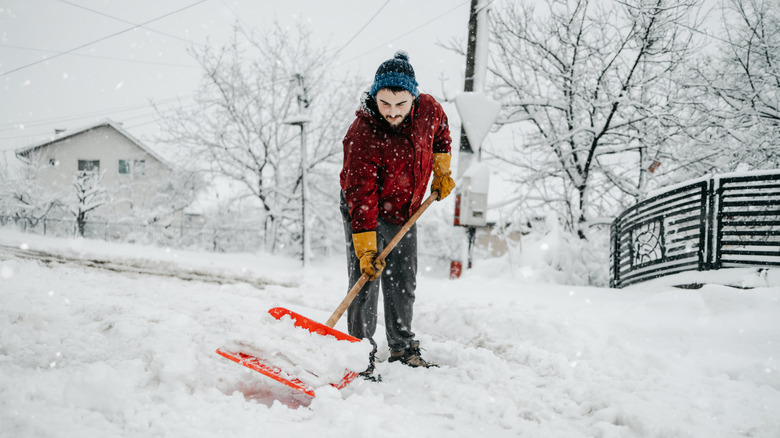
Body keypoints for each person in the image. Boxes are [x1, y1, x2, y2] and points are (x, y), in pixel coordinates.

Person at [339, 51, 456, 378]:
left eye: (400, 104)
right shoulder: (362, 134)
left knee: (403, 278)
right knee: (367, 279)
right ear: (374, 96)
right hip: (366, 212)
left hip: (406, 210)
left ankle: (402, 346)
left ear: (414, 98)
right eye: (385, 103)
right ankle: (358, 355)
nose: (392, 112)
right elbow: (360, 194)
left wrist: (442, 171)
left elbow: (442, 133)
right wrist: (365, 248)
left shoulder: (430, 110)